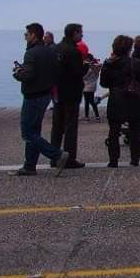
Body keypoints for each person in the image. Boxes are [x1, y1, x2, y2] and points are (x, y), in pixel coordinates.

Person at [11, 23, 69, 176]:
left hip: (33, 97)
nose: (25, 37)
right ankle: (29, 166)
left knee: (28, 133)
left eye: (26, 34)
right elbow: (56, 71)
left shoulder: (31, 53)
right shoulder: (50, 51)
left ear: (33, 35)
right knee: (34, 131)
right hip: (45, 95)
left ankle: (57, 155)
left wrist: (17, 72)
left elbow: (28, 75)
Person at [100, 35, 140, 167]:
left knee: (113, 130)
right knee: (135, 128)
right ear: (129, 48)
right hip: (132, 98)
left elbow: (103, 83)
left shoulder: (108, 63)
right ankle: (135, 158)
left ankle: (113, 160)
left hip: (115, 99)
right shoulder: (134, 63)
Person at [52, 23, 87, 169]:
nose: (82, 35)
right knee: (70, 127)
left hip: (57, 92)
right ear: (74, 33)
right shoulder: (73, 51)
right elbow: (78, 72)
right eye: (80, 33)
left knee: (57, 127)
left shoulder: (56, 48)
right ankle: (69, 158)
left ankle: (54, 157)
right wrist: (87, 66)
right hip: (71, 93)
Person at [82, 50, 101, 121]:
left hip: (87, 86)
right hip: (92, 86)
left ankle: (92, 117)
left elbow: (84, 77)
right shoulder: (96, 68)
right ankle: (93, 116)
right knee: (89, 101)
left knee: (90, 102)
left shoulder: (90, 69)